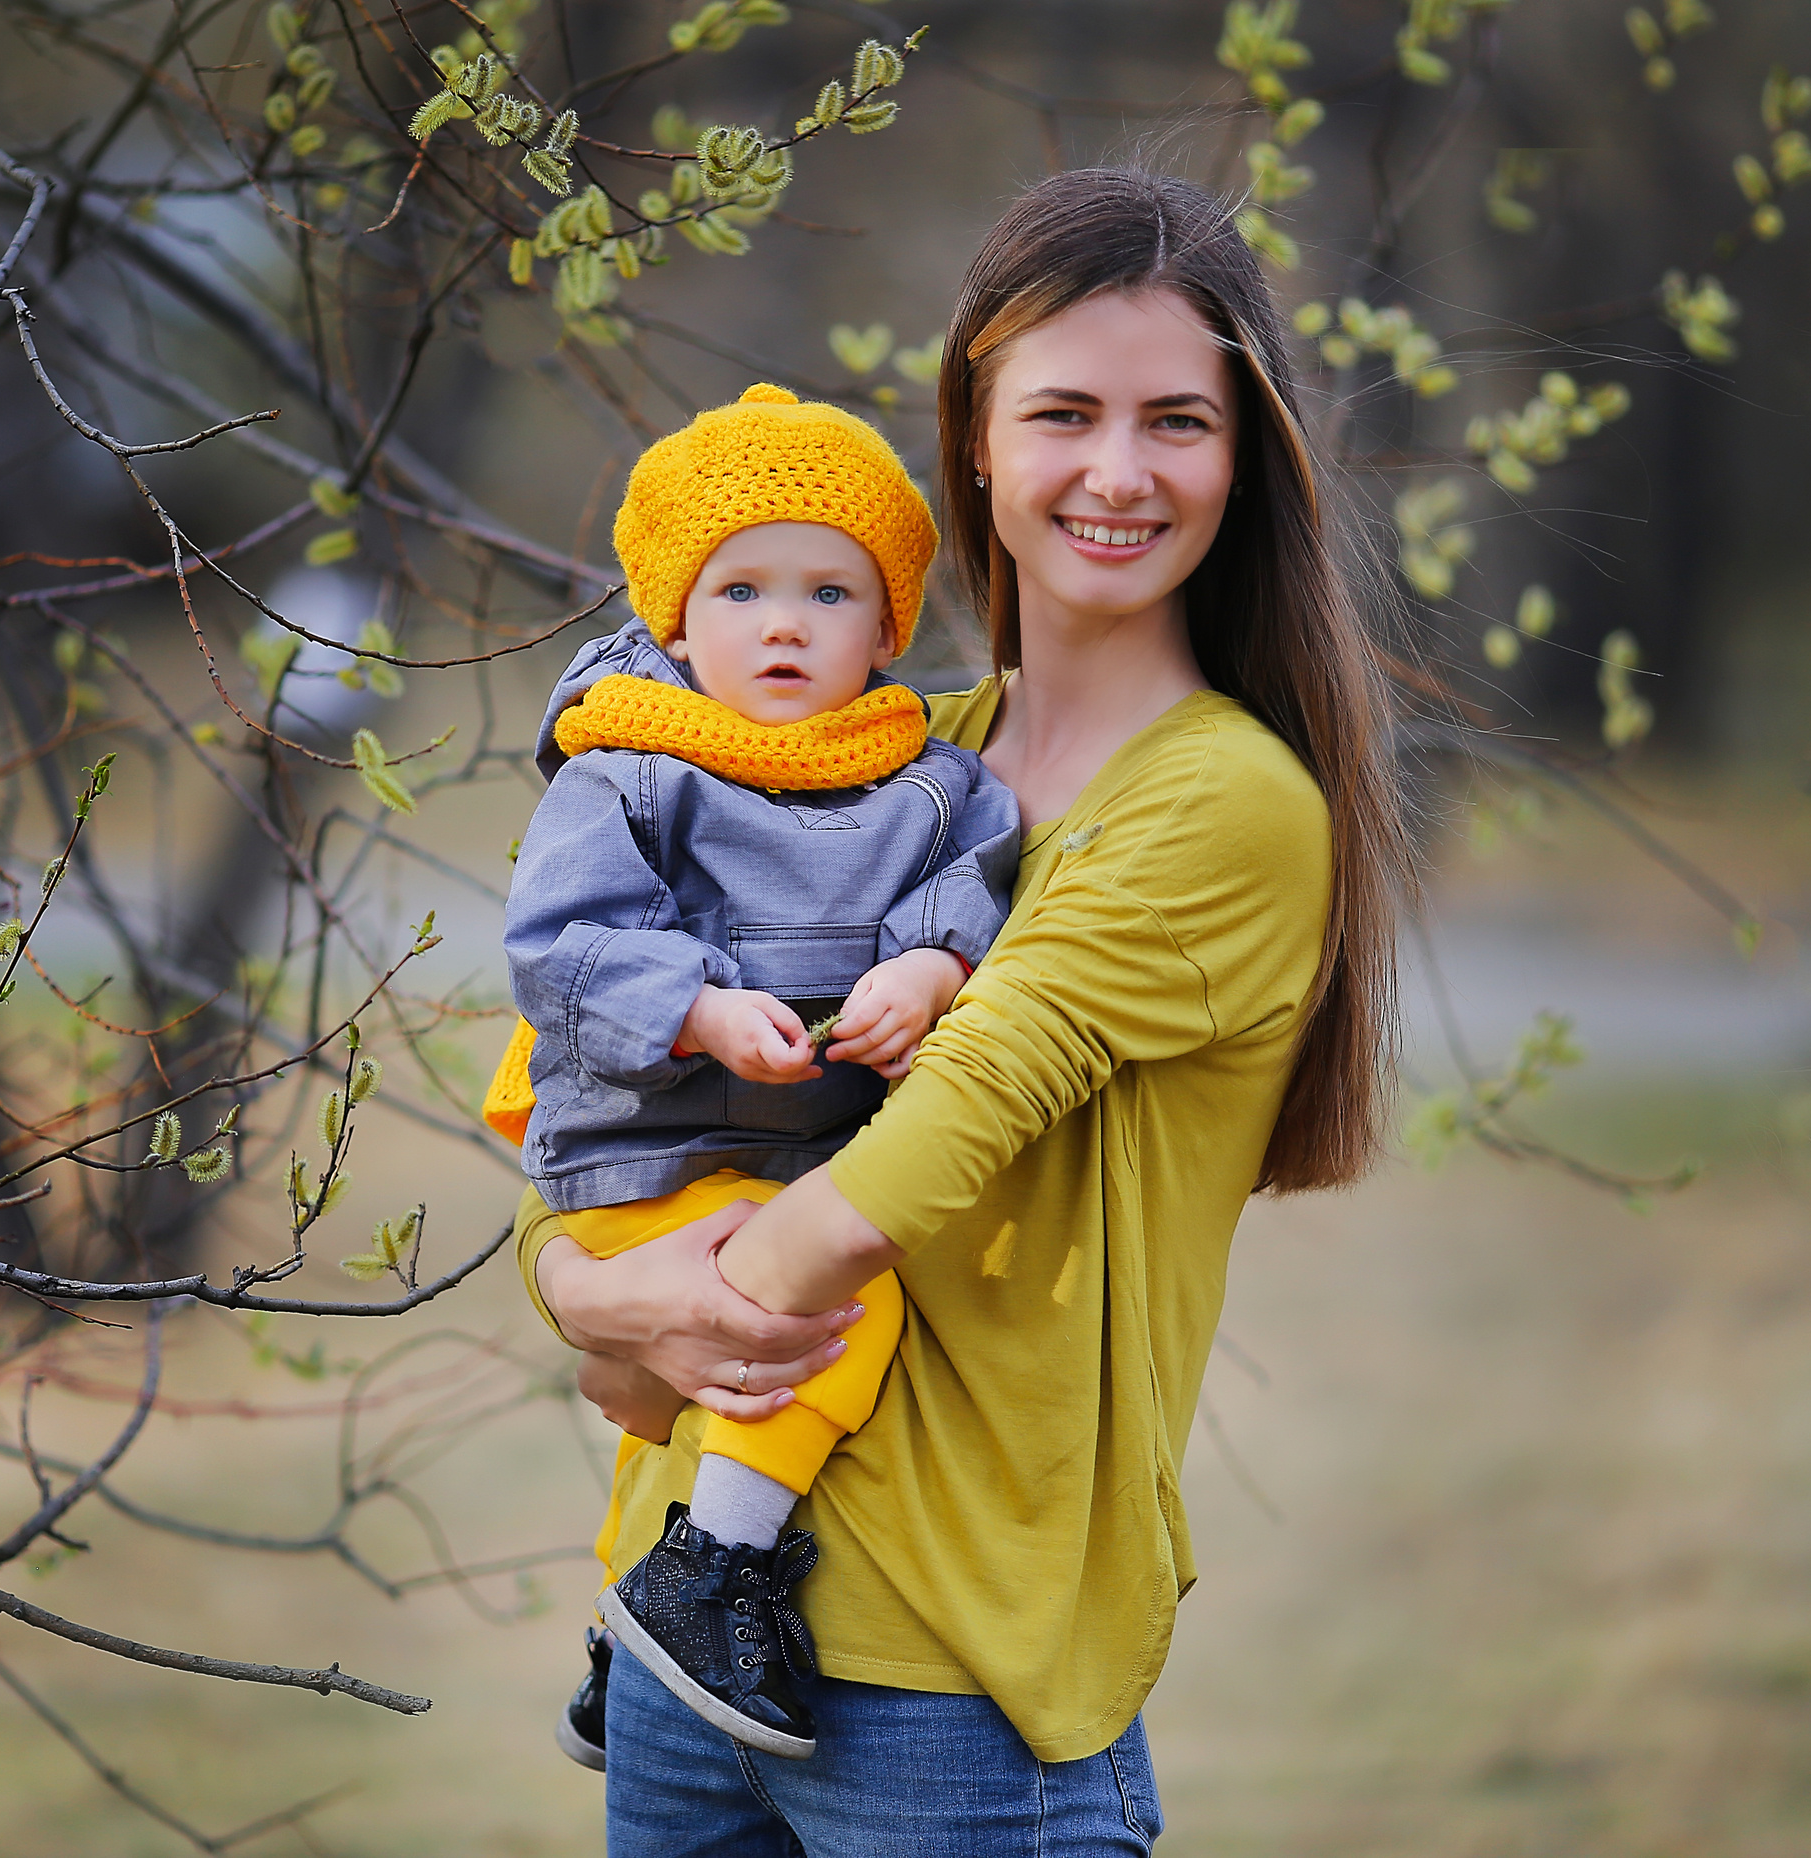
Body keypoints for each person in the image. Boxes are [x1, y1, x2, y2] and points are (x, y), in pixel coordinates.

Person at [512, 167, 1416, 1856]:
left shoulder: (1220, 801)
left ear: (1247, 457)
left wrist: (645, 1326)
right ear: (977, 442)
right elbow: (578, 1072)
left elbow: (935, 1140)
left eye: (1179, 421)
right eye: (1065, 411)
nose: (1120, 471)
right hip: (674, 1635)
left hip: (950, 1700)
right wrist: (578, 1278)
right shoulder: (868, 753)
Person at [488, 383, 1021, 1765]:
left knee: (743, 1368)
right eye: (740, 589)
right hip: (641, 1155)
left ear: (890, 627)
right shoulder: (628, 773)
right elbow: (559, 943)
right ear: (674, 617)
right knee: (831, 1321)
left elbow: (970, 877)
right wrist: (699, 1011)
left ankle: (633, 1626)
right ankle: (713, 1570)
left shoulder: (928, 778)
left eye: (830, 591)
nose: (784, 622)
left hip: (795, 1162)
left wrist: (928, 970)